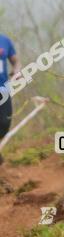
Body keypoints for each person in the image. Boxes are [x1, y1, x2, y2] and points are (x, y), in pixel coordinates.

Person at [0, 33, 21, 164]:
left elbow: (15, 61)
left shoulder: (5, 40)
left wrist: (17, 70)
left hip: (3, 89)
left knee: (5, 122)